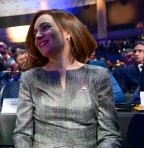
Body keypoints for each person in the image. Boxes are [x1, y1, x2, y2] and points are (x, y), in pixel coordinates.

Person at [13, 9, 121, 147]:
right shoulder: (30, 78)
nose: (38, 35)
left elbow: (110, 135)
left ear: (68, 32)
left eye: (45, 27)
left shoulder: (98, 75)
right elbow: (22, 134)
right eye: (35, 33)